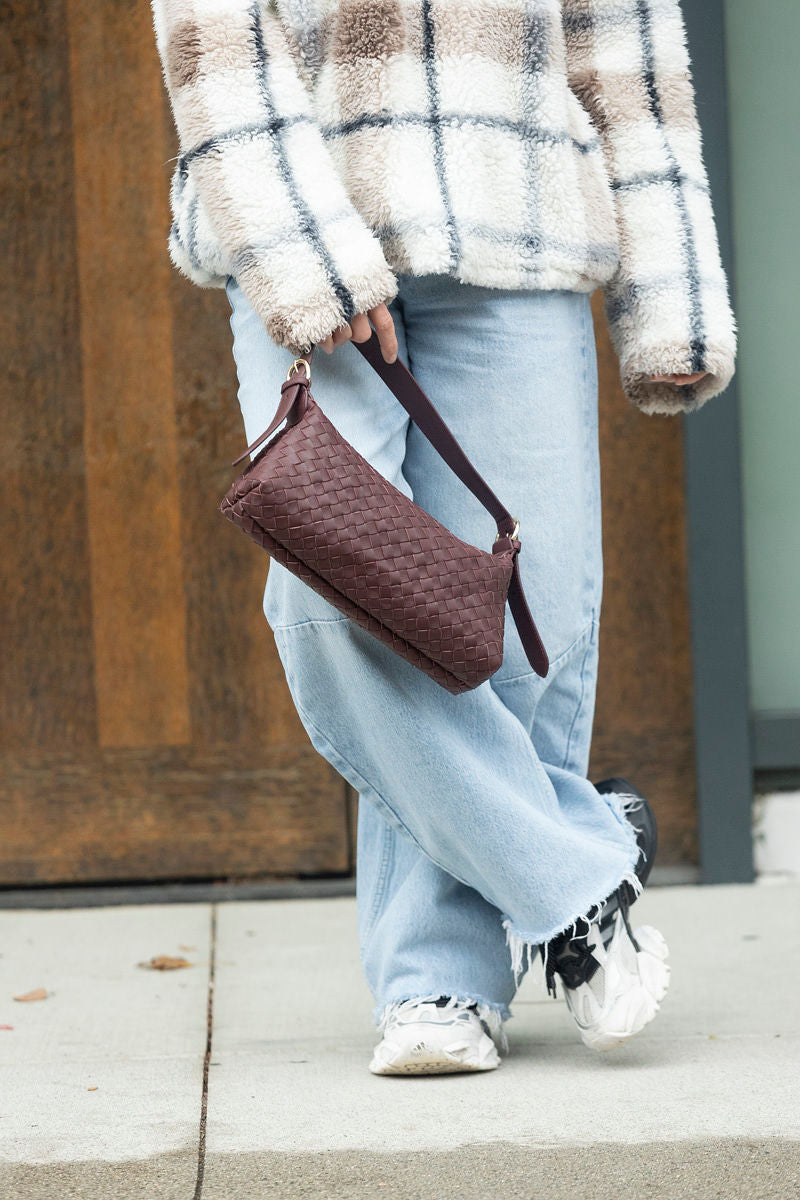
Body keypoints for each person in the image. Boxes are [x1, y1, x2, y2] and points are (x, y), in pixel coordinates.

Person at [152, 0, 736, 1075]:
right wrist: (304, 255)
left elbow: (623, 44)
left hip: (517, 209)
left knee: (520, 623)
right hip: (302, 210)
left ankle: (442, 983)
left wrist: (672, 289)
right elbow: (212, 33)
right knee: (338, 597)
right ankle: (576, 880)